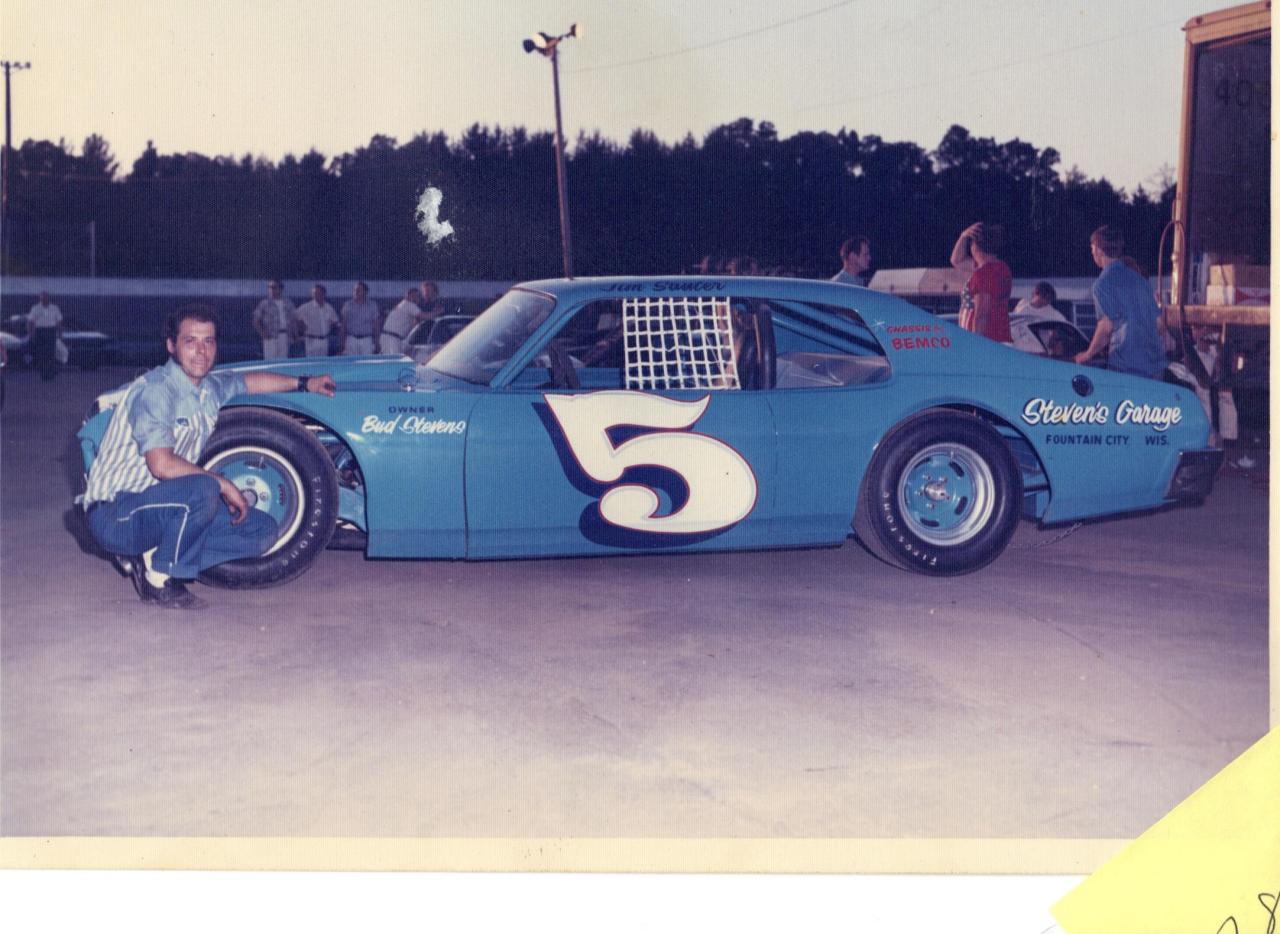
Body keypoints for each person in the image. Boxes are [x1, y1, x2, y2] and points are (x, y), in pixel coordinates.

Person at [81, 304, 337, 610]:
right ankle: (158, 581)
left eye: (208, 341)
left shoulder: (209, 387)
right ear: (171, 346)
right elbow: (161, 465)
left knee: (262, 530)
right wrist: (222, 484)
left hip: (163, 506)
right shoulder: (156, 391)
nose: (201, 351)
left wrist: (306, 383)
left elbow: (250, 382)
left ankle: (155, 555)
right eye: (191, 341)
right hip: (116, 513)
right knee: (204, 488)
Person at [1074, 225, 1166, 378]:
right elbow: (1160, 325)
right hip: (1155, 367)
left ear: (1098, 250)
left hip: (1126, 367)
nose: (1092, 253)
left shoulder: (1102, 284)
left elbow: (1106, 327)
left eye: (1092, 249)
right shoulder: (1140, 280)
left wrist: (1087, 355)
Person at [950, 222, 1012, 343]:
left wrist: (976, 344)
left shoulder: (983, 274)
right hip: (998, 338)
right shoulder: (1001, 268)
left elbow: (982, 314)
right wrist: (963, 235)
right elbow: (956, 261)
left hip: (986, 341)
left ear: (974, 246)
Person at [252, 279, 297, 360]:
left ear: (280, 289)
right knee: (270, 360)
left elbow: (293, 319)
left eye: (274, 287)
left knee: (283, 360)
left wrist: (295, 334)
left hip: (284, 335)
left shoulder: (288, 303)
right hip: (271, 336)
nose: (271, 290)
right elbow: (256, 320)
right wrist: (262, 332)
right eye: (269, 287)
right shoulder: (264, 303)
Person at [27, 291, 63, 381]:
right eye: (42, 298)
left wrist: (60, 333)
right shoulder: (35, 308)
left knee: (51, 353)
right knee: (42, 354)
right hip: (40, 332)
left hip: (51, 331)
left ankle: (50, 374)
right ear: (40, 298)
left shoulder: (55, 308)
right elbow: (30, 321)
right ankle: (43, 374)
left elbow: (59, 321)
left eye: (46, 297)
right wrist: (31, 333)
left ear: (49, 298)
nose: (44, 299)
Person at [296, 283, 340, 357]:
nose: (316, 295)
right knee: (311, 362)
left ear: (324, 294)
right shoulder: (306, 307)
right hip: (311, 340)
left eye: (318, 293)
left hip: (324, 340)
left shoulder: (329, 308)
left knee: (323, 361)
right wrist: (301, 327)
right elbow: (294, 317)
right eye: (314, 293)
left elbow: (335, 321)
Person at [340, 281, 381, 355]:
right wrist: (342, 342)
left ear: (365, 292)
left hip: (367, 340)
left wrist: (377, 342)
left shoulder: (372, 305)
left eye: (359, 290)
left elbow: (376, 325)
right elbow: (343, 325)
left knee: (367, 361)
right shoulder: (347, 305)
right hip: (351, 339)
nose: (356, 292)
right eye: (355, 290)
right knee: (351, 361)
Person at [380, 286, 423, 355]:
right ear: (408, 295)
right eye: (414, 295)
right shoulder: (409, 305)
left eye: (417, 296)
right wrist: (437, 312)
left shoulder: (403, 304)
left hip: (390, 337)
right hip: (392, 338)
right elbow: (423, 316)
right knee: (394, 359)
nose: (417, 298)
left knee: (389, 358)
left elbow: (415, 323)